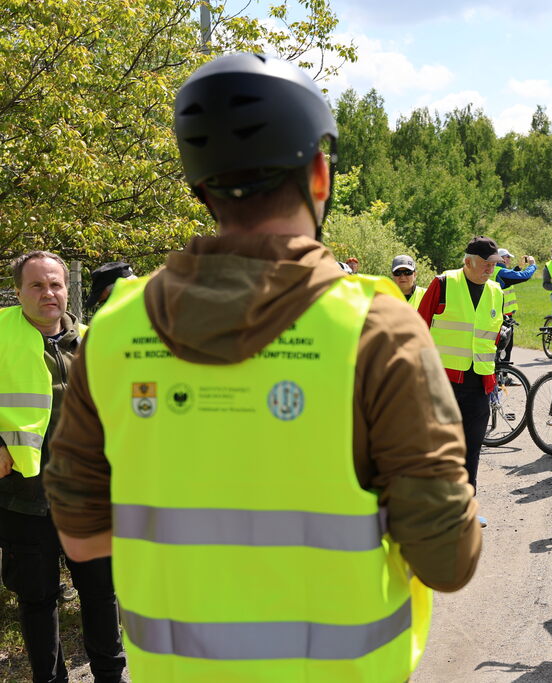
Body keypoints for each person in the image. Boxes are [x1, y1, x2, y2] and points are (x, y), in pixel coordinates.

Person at [43, 54, 480, 682]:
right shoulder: (377, 331)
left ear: (200, 185)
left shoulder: (114, 329)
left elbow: (83, 540)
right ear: (320, 175)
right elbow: (447, 562)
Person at [0, 251, 126, 683]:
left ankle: (110, 676)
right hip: (25, 497)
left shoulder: (95, 342)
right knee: (37, 600)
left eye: (55, 284)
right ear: (18, 291)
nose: (48, 293)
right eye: (36, 285)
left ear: (67, 289)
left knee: (101, 594)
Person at [419, 236, 504, 525]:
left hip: (480, 383)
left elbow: (492, 336)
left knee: (472, 448)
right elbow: (418, 327)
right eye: (485, 263)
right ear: (468, 261)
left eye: (494, 264)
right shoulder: (443, 283)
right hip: (442, 381)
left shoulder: (496, 291)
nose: (490, 269)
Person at [491, 247, 536, 363]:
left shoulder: (493, 271)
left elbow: (509, 278)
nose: (509, 260)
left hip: (494, 315)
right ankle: (503, 371)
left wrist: (519, 267)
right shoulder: (501, 272)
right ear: (501, 259)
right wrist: (532, 265)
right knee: (505, 348)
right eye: (508, 257)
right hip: (503, 317)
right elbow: (523, 276)